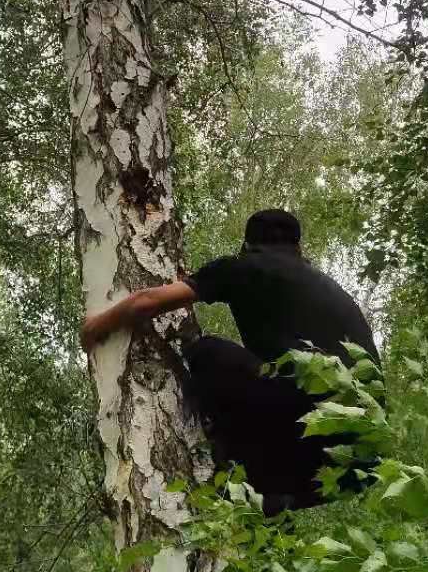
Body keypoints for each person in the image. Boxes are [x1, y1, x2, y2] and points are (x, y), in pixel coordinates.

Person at [79, 208, 381, 516]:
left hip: (304, 427)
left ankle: (232, 472)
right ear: (298, 247)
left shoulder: (242, 268)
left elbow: (147, 302)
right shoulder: (332, 290)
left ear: (247, 245)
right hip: (359, 462)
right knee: (274, 387)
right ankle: (269, 500)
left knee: (207, 352)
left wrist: (96, 326)